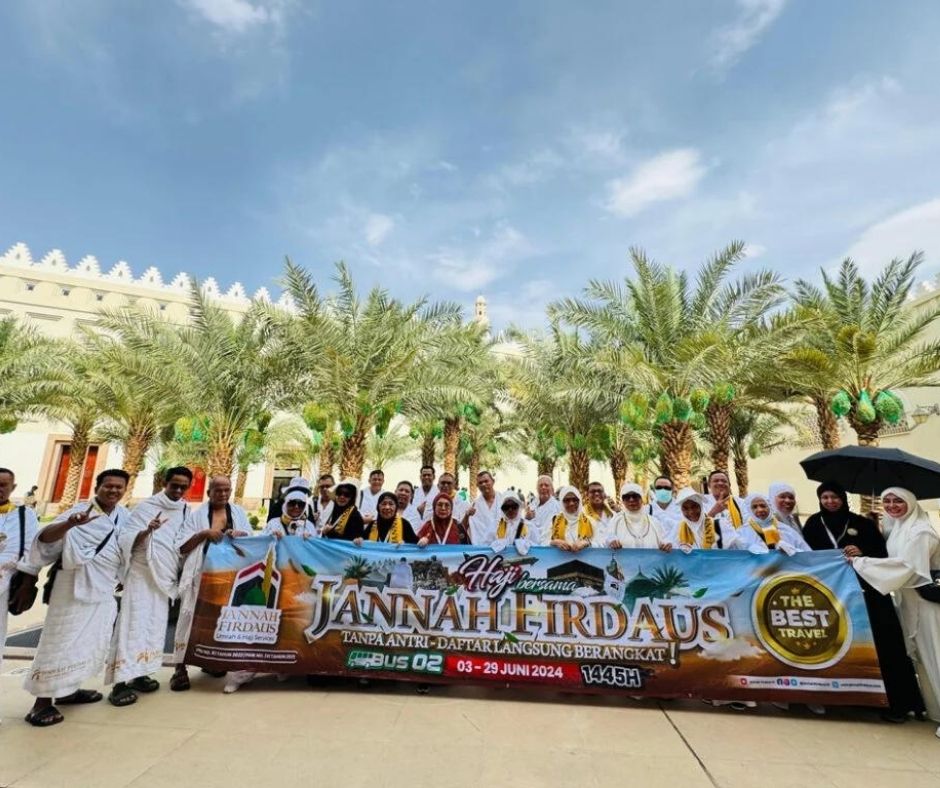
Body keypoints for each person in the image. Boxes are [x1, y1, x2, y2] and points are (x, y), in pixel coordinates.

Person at [803, 482, 927, 723]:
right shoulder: (813, 524)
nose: (830, 501)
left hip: (869, 594)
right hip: (834, 595)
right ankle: (856, 699)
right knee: (842, 645)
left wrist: (862, 552)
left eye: (835, 497)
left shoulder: (863, 524)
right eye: (825, 497)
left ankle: (899, 702)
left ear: (843, 498)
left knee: (884, 644)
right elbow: (805, 555)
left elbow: (883, 554)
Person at [22, 469, 132, 727]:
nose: (114, 491)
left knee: (88, 642)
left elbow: (126, 548)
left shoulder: (124, 515)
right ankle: (41, 702)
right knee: (59, 642)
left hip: (103, 588)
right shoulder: (80, 511)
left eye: (119, 487)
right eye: (108, 486)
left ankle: (68, 690)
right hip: (71, 588)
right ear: (97, 487)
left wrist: (121, 573)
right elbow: (45, 540)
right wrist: (70, 524)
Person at [851, 487, 940, 733]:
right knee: (923, 659)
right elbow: (890, 556)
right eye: (887, 501)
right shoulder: (898, 528)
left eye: (898, 501)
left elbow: (907, 567)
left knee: (936, 655)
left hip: (927, 605)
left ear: (910, 502)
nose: (892, 506)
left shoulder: (921, 531)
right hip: (909, 603)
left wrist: (861, 563)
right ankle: (935, 710)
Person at [105, 466, 193, 707]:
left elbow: (182, 542)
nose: (178, 490)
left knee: (154, 626)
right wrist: (147, 531)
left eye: (183, 487)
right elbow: (125, 538)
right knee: (131, 625)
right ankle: (119, 683)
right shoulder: (146, 507)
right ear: (165, 483)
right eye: (174, 485)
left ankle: (140, 673)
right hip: (141, 574)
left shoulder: (186, 509)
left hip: (164, 577)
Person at [171, 475, 251, 691]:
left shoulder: (239, 513)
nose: (223, 494)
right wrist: (205, 533)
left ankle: (210, 661)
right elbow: (182, 547)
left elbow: (251, 544)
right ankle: (180, 668)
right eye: (218, 490)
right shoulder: (196, 516)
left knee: (216, 621)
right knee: (189, 620)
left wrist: (240, 535)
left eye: (227, 490)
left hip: (226, 577)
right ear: (209, 492)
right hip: (199, 575)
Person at [1, 467, 41, 719]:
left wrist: (27, 583)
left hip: (4, 586)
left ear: (13, 488)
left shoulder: (24, 516)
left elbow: (31, 551)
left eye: (4, 484)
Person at [603, 482, 672, 551]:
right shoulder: (616, 521)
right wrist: (611, 541)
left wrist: (666, 545)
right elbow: (607, 540)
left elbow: (665, 540)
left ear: (642, 498)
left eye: (635, 496)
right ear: (623, 501)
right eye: (627, 497)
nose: (631, 500)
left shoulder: (654, 522)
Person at [744, 493, 810, 555]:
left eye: (763, 506)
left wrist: (792, 551)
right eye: (754, 507)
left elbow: (808, 554)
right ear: (749, 510)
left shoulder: (786, 530)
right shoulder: (743, 532)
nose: (760, 510)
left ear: (770, 507)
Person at [548, 486, 595, 551]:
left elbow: (599, 542)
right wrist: (555, 542)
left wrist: (585, 543)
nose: (571, 503)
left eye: (575, 500)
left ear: (579, 501)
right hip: (560, 557)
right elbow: (544, 541)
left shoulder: (590, 520)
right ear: (562, 502)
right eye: (567, 500)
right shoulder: (555, 520)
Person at [465, 470, 503, 545]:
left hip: (502, 546)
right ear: (477, 485)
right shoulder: (474, 505)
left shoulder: (504, 501)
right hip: (481, 547)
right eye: (480, 483)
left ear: (493, 481)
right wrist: (467, 515)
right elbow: (464, 527)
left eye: (486, 481)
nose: (483, 484)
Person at [704, 470, 747, 534]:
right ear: (709, 485)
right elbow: (698, 529)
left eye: (724, 481)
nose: (720, 483)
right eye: (716, 481)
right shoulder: (701, 503)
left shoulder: (741, 503)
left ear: (729, 485)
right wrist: (713, 512)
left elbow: (748, 525)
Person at [525, 475, 561, 546]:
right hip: (531, 544)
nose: (543, 487)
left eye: (546, 485)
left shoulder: (557, 506)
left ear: (552, 489)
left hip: (547, 544)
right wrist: (527, 518)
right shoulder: (533, 504)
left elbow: (550, 530)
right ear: (537, 489)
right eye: (540, 485)